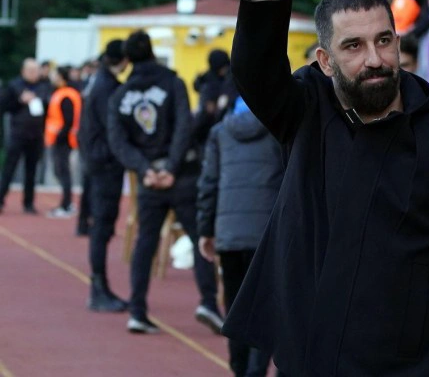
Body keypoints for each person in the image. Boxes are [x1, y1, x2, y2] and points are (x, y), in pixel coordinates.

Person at [222, 0, 429, 376]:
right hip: (310, 364)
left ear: (397, 42)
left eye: (383, 41)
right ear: (326, 61)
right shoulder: (306, 111)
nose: (374, 59)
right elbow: (254, 70)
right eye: (353, 46)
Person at [107, 30, 222, 334]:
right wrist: (171, 167)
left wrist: (145, 169)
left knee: (146, 242)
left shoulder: (121, 95)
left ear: (128, 58)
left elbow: (118, 141)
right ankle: (208, 302)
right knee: (200, 238)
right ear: (152, 51)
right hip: (182, 175)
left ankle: (137, 310)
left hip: (149, 180)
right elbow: (184, 126)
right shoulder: (172, 82)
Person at [197, 97, 283, 377]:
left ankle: (238, 366)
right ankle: (256, 370)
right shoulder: (278, 132)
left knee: (235, 307)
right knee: (266, 306)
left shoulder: (220, 132)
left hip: (229, 234)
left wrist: (206, 230)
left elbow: (208, 184)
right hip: (265, 236)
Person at [78, 39, 129, 312]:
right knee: (102, 226)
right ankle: (98, 289)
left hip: (97, 160)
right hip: (104, 163)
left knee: (101, 225)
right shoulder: (108, 88)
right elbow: (113, 128)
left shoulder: (98, 82)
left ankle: (100, 287)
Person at [0, 58, 50, 214]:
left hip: (36, 134)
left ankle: (28, 202)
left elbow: (48, 108)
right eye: (30, 70)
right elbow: (4, 106)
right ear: (23, 71)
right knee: (9, 169)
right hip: (18, 133)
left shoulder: (44, 86)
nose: (33, 73)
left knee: (32, 170)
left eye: (36, 70)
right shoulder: (14, 86)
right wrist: (20, 100)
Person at [45, 66, 82, 218]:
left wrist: (60, 136)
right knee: (59, 171)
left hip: (64, 140)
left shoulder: (66, 95)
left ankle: (66, 204)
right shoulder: (60, 93)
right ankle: (66, 203)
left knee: (63, 172)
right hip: (59, 139)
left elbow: (69, 120)